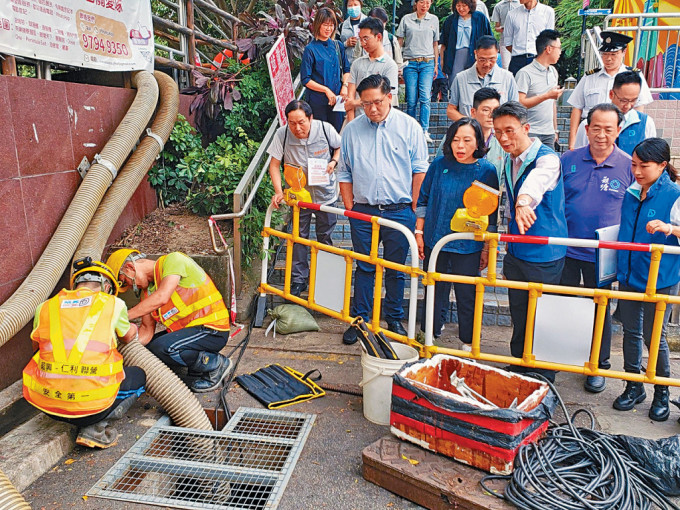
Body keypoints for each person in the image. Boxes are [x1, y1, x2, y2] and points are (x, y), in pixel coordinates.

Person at [337, 74, 428, 345]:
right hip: (363, 211)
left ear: (389, 96)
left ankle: (394, 319)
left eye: (377, 102)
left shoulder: (409, 127)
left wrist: (413, 207)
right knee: (364, 265)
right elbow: (344, 171)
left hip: (400, 211)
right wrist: (350, 206)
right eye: (366, 104)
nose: (372, 109)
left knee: (396, 269)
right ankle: (361, 320)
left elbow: (419, 169)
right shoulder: (352, 131)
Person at [23, 259, 145, 449]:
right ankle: (95, 428)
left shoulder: (46, 306)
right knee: (138, 375)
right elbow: (128, 337)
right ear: (106, 286)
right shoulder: (113, 303)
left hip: (49, 406)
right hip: (92, 410)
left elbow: (37, 349)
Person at [560, 103, 633, 394]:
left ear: (618, 131)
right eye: (596, 128)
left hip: (603, 254)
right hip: (566, 249)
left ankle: (598, 366)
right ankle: (560, 359)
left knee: (600, 310)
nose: (601, 135)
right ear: (586, 129)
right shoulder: (568, 159)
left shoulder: (629, 165)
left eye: (608, 129)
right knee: (562, 304)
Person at [493, 101, 567, 382]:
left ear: (526, 128)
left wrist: (524, 202)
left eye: (509, 131)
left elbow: (537, 181)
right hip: (517, 250)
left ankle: (544, 372)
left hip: (545, 253)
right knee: (520, 310)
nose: (503, 138)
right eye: (498, 132)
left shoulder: (547, 158)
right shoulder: (511, 159)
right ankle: (522, 364)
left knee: (543, 315)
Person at [416, 118, 499, 347]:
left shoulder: (486, 171)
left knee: (467, 294)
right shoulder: (439, 165)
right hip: (436, 239)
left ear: (478, 142)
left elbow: (491, 214)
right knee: (433, 288)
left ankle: (468, 341)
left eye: (466, 140)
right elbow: (423, 198)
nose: (460, 146)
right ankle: (429, 333)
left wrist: (486, 247)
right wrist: (419, 232)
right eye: (455, 140)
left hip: (468, 244)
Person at [614, 138, 680, 422]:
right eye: (633, 164)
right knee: (631, 332)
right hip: (630, 274)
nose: (637, 171)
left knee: (656, 337)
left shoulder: (674, 194)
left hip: (660, 277)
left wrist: (670, 228)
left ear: (662, 166)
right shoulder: (631, 192)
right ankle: (633, 385)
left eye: (644, 166)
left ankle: (662, 391)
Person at [105, 249, 232, 393]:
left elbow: (162, 296)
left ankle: (216, 364)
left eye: (126, 282)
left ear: (130, 267)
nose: (131, 287)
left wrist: (121, 317)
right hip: (191, 333)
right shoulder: (148, 292)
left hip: (212, 329)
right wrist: (121, 350)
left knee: (163, 347)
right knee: (151, 349)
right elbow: (146, 331)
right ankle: (196, 366)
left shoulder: (173, 261)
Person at [268, 99, 341, 297]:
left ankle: (324, 277)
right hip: (299, 198)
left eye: (301, 122)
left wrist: (333, 162)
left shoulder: (325, 129)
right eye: (292, 123)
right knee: (298, 238)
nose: (297, 128)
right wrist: (278, 191)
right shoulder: (282, 134)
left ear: (310, 118)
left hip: (326, 196)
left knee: (324, 238)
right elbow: (274, 165)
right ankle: (299, 279)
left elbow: (339, 147)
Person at [568, 31, 653, 150]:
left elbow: (639, 109)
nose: (608, 59)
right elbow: (577, 108)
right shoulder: (589, 77)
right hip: (592, 133)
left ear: (624, 52)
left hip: (623, 136)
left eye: (613, 54)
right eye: (605, 54)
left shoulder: (634, 77)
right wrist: (572, 143)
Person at [573, 71, 657, 154]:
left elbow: (651, 157)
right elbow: (579, 156)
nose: (628, 106)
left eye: (633, 100)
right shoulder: (589, 123)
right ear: (611, 94)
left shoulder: (646, 123)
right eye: (623, 100)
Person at [301, 8, 351, 132]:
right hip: (318, 102)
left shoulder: (338, 46)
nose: (329, 28)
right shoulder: (310, 49)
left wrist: (344, 86)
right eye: (325, 25)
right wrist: (325, 90)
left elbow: (347, 69)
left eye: (331, 25)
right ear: (318, 25)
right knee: (320, 135)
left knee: (337, 134)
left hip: (337, 100)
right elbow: (305, 79)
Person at [396, 0, 440, 143]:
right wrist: (398, 63)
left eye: (428, 3)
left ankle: (424, 130)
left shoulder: (434, 19)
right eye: (422, 2)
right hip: (410, 62)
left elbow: (435, 44)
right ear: (416, 3)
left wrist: (435, 64)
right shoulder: (406, 19)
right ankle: (410, 130)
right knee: (412, 99)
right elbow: (399, 42)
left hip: (427, 62)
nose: (424, 5)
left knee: (425, 97)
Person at [447, 35, 518, 121]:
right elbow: (451, 110)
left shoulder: (508, 78)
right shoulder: (461, 78)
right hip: (470, 132)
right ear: (475, 54)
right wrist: (470, 123)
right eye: (482, 59)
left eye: (492, 59)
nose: (487, 64)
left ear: (497, 53)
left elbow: (515, 110)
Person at [345, 16, 399, 121]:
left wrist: (355, 103)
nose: (362, 43)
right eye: (360, 39)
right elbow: (349, 100)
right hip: (357, 120)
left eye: (366, 38)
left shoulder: (390, 66)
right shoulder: (357, 64)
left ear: (378, 37)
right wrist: (351, 124)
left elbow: (386, 99)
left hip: (380, 121)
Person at [516, 29, 563, 147]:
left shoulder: (553, 72)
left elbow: (553, 104)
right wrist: (546, 96)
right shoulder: (525, 73)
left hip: (549, 134)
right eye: (559, 48)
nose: (560, 52)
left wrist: (555, 130)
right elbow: (519, 103)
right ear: (549, 49)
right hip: (530, 131)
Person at [440, 0, 493, 90]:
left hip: (476, 55)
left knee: (476, 84)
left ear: (470, 5)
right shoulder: (450, 20)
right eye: (458, 5)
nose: (461, 8)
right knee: (455, 83)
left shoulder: (480, 18)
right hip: (455, 56)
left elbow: (489, 40)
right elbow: (444, 44)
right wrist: (442, 61)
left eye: (464, 5)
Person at [503, 0, 555, 76]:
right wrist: (519, 53)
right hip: (517, 60)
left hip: (539, 60)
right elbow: (508, 42)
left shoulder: (548, 12)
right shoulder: (512, 14)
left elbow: (549, 40)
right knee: (516, 87)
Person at [471, 87, 505, 180]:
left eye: (495, 110)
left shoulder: (502, 141)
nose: (491, 115)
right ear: (473, 112)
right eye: (486, 110)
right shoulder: (457, 137)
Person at [490, 0, 520, 69]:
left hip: (519, 41)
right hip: (504, 40)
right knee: (506, 66)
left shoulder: (521, 4)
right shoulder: (498, 6)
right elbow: (496, 27)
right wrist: (503, 28)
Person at [340, 0, 366, 67]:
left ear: (361, 5)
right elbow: (336, 47)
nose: (353, 8)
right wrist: (346, 44)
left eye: (355, 5)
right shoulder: (342, 26)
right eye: (350, 5)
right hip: (348, 66)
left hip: (366, 66)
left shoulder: (369, 23)